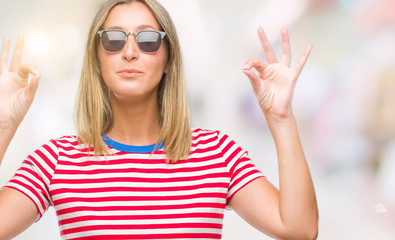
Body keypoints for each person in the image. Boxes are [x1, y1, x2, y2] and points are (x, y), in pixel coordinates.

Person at [0, 0, 318, 239]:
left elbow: (300, 229)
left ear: (167, 60)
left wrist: (281, 118)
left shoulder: (218, 153)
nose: (129, 52)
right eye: (113, 39)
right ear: (96, 60)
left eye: (148, 39)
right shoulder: (55, 160)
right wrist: (2, 124)